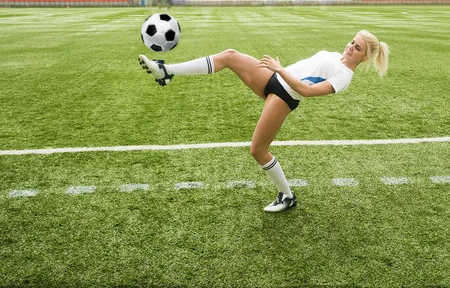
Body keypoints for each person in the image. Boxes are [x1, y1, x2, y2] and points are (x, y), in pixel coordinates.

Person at [138, 30, 390, 212]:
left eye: (357, 48)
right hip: (272, 78)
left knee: (258, 150)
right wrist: (278, 71)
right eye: (352, 42)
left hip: (283, 95)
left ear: (365, 58)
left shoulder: (344, 76)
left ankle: (287, 196)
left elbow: (306, 91)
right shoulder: (336, 55)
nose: (350, 47)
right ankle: (166, 71)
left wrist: (280, 69)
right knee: (229, 55)